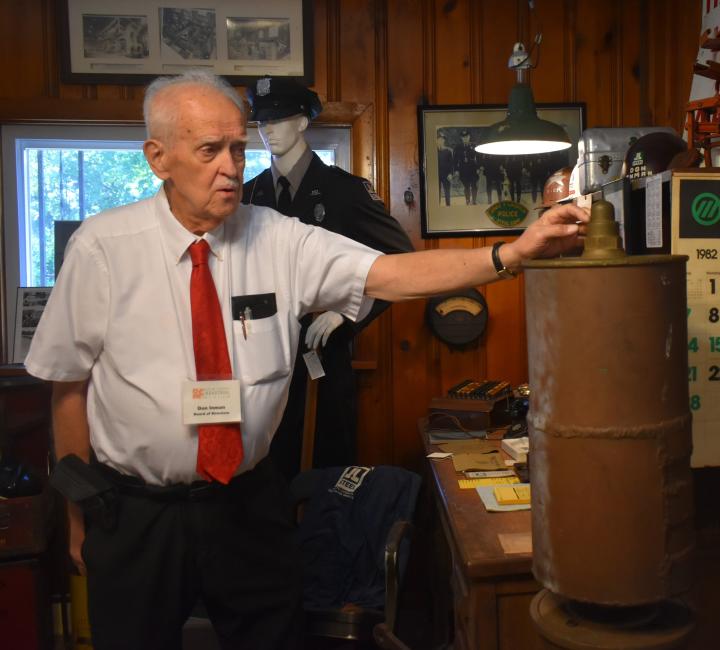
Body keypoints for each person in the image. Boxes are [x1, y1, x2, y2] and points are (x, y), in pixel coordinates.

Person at [24, 69, 587, 650]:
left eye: (238, 147)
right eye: (210, 150)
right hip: (137, 513)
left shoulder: (276, 235)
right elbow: (68, 387)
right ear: (158, 158)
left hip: (246, 505)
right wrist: (75, 512)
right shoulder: (103, 247)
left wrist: (512, 251)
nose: (232, 166)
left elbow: (390, 273)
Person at [242, 77, 414, 480]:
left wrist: (346, 312)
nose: (268, 129)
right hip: (258, 362)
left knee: (324, 476)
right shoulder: (248, 198)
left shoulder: (343, 191)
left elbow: (399, 261)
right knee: (262, 476)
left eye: (279, 118)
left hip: (320, 357)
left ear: (302, 122)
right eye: (262, 121)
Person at [453, 129, 479, 205]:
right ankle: (467, 200)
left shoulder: (474, 146)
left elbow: (478, 157)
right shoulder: (457, 147)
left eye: (467, 136)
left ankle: (474, 201)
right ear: (461, 138)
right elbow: (455, 160)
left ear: (469, 137)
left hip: (473, 169)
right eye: (463, 137)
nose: (465, 138)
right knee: (466, 186)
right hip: (463, 169)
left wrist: (478, 167)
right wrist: (456, 170)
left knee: (474, 185)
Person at [437, 132, 454, 206]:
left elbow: (451, 164)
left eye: (443, 139)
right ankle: (437, 207)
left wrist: (450, 173)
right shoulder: (432, 151)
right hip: (436, 175)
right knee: (436, 192)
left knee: (447, 192)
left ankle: (448, 206)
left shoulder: (448, 151)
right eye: (439, 139)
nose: (441, 141)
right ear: (436, 140)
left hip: (446, 175)